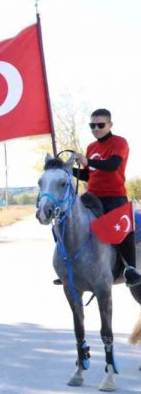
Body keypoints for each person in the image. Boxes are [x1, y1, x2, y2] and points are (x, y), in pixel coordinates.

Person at [73, 108, 140, 287]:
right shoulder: (91, 147)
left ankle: (130, 269)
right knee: (69, 219)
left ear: (110, 125)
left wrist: (88, 162)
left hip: (114, 196)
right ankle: (69, 265)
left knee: (122, 228)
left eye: (100, 125)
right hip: (91, 197)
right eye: (92, 125)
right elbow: (89, 175)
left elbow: (112, 165)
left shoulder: (119, 142)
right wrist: (66, 170)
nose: (96, 128)